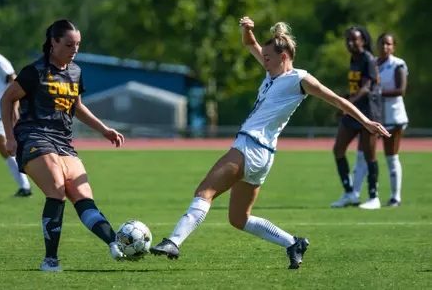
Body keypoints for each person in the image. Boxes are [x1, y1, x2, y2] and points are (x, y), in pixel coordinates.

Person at [150, 17, 390, 270]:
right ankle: (293, 243)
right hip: (263, 156)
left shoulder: (299, 79)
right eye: (263, 56)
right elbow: (249, 43)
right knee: (238, 219)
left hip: (250, 146)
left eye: (267, 57)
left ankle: (174, 241)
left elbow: (337, 100)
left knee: (204, 192)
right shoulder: (272, 73)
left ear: (284, 56)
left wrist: (366, 122)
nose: (263, 60)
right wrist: (247, 29)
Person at [0, 19, 127, 272]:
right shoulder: (34, 72)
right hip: (33, 136)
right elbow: (7, 99)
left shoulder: (75, 72)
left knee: (82, 195)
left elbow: (77, 106)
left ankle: (114, 243)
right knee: (57, 188)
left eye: (78, 44)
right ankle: (50, 261)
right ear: (53, 42)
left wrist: (104, 130)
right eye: (69, 44)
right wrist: (10, 137)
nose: (74, 49)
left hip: (63, 141)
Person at [351, 33, 408, 207]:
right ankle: (354, 194)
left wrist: (377, 92)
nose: (385, 47)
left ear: (393, 47)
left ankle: (395, 197)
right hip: (374, 115)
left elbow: (401, 90)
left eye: (388, 44)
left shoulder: (397, 64)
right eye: (382, 44)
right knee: (363, 155)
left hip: (393, 115)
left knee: (391, 157)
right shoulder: (373, 62)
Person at [330, 27, 384, 210]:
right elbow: (355, 87)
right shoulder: (353, 58)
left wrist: (347, 104)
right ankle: (350, 193)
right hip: (353, 110)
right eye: (348, 40)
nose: (350, 43)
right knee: (338, 149)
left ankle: (373, 197)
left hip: (368, 112)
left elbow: (366, 88)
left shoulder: (368, 59)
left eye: (354, 39)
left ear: (363, 41)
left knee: (370, 154)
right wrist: (345, 101)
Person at [0, 34, 32, 196]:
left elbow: (15, 81)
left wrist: (14, 107)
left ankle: (26, 187)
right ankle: (25, 187)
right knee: (7, 153)